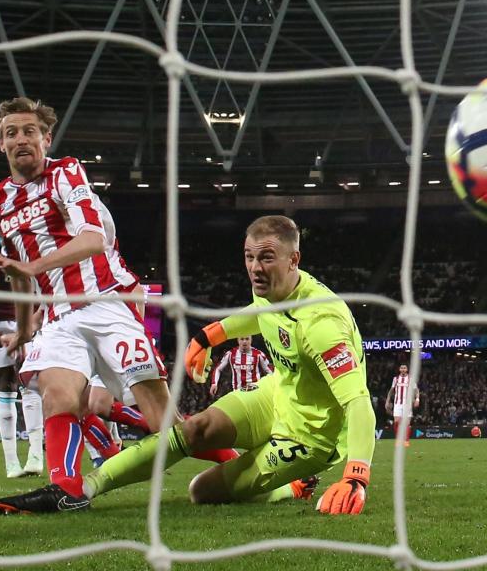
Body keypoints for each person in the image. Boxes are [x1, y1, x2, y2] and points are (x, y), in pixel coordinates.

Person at [0, 97, 232, 515]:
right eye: (12, 133)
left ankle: (248, 466)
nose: (21, 139)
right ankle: (66, 489)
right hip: (60, 317)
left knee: (163, 424)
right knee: (58, 394)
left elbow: (93, 239)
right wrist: (25, 330)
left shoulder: (66, 172)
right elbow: (18, 272)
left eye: (29, 131)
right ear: (1, 144)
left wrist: (33, 265)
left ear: (46, 138)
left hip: (108, 304)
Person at [78, 215, 375, 515]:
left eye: (266, 258)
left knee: (202, 491)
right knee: (195, 429)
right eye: (250, 257)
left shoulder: (321, 324)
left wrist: (356, 477)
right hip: (276, 394)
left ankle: (294, 486)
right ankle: (84, 487)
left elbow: (359, 401)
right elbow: (259, 313)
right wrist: (209, 336)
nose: (255, 268)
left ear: (293, 259)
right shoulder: (272, 285)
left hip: (313, 433)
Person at [0, 234, 44, 478]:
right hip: (0, 321)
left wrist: (35, 324)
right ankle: (11, 463)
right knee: (5, 385)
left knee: (31, 381)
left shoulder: (38, 238)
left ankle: (36, 455)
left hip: (32, 320)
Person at [385, 363, 419, 447]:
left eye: (404, 368)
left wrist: (417, 399)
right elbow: (391, 390)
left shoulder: (411, 379)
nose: (403, 369)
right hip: (397, 403)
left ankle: (406, 441)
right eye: (402, 368)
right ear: (399, 369)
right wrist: (387, 401)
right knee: (396, 422)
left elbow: (416, 390)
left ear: (407, 370)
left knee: (407, 423)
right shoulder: (395, 379)